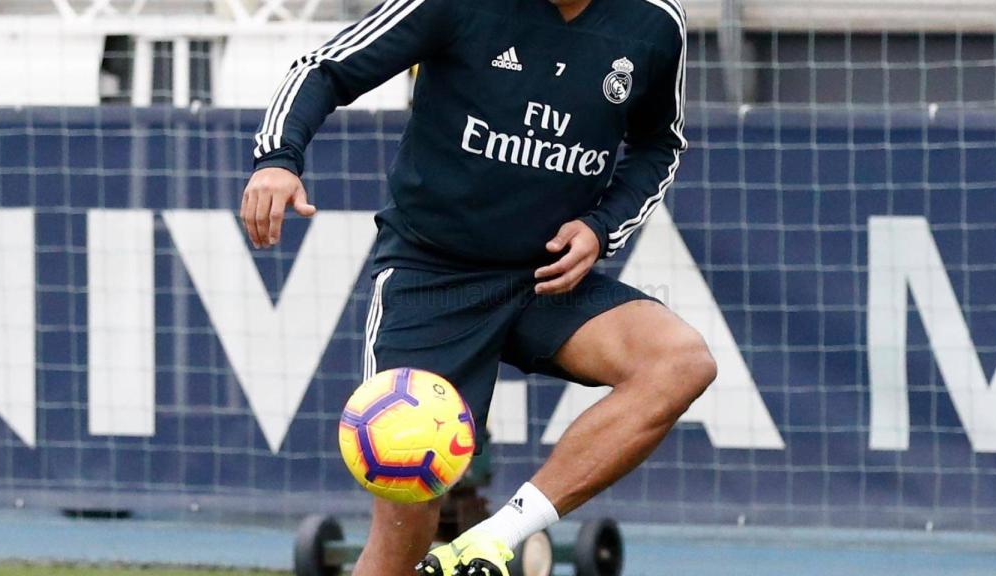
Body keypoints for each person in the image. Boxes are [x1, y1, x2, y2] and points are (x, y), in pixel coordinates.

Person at [240, 0, 716, 574]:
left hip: (547, 278)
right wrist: (278, 159)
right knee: (399, 545)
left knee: (680, 362)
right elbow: (325, 67)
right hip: (432, 277)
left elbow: (658, 144)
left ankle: (494, 537)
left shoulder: (655, 19)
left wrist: (600, 227)